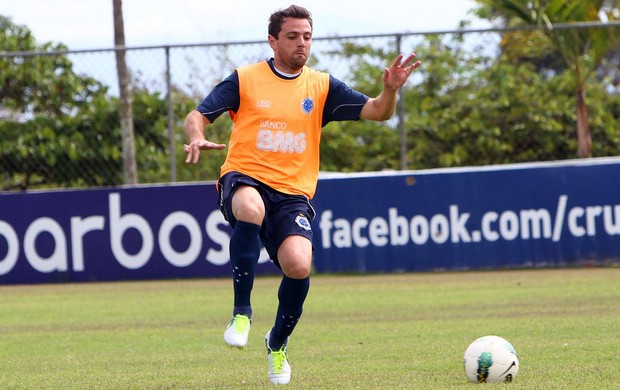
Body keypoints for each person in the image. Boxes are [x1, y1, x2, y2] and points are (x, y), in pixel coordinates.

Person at [183, 4, 421, 385]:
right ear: (273, 40)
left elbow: (378, 112)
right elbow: (198, 115)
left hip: (293, 193)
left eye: (307, 37)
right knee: (249, 205)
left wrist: (389, 90)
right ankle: (242, 312)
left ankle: (277, 344)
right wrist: (196, 135)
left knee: (299, 266)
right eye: (292, 36)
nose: (301, 44)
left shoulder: (322, 86)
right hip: (245, 175)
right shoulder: (245, 79)